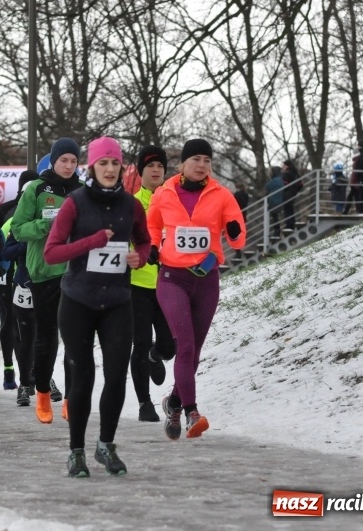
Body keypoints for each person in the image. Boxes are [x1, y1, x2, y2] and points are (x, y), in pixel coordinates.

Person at [44, 136, 150, 477]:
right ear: (92, 166)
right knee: (83, 378)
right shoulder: (75, 203)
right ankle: (76, 452)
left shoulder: (131, 205)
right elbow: (52, 252)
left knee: (117, 374)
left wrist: (140, 257)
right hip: (77, 301)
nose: (108, 169)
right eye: (102, 163)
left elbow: (145, 240)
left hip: (117, 301)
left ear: (122, 167)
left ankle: (105, 445)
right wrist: (92, 241)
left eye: (114, 163)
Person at [146, 138, 246, 440]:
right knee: (185, 346)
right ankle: (191, 412)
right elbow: (152, 225)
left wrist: (233, 231)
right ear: (183, 164)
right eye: (196, 160)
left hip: (206, 279)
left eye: (206, 160)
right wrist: (152, 245)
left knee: (195, 352)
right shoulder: (163, 194)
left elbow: (238, 237)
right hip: (171, 278)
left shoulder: (222, 194)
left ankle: (173, 403)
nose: (201, 165)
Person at [11, 137, 83, 424]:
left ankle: (70, 399)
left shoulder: (82, 191)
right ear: (53, 161)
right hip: (43, 272)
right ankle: (42, 393)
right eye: (63, 160)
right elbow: (18, 229)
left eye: (73, 161)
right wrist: (49, 224)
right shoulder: (38, 189)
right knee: (47, 339)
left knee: (75, 340)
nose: (68, 165)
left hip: (76, 273)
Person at [129, 146, 176, 423]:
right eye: (150, 166)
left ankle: (155, 357)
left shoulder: (174, 202)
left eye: (160, 166)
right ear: (141, 171)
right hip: (137, 285)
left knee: (169, 345)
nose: (156, 170)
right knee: (140, 341)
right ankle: (144, 403)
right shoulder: (132, 204)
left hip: (167, 283)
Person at [0, 170, 39, 394]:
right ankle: (9, 369)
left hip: (32, 275)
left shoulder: (43, 210)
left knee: (36, 329)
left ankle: (34, 374)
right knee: (10, 324)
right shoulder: (5, 211)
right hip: (7, 275)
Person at [281, 159, 301, 230]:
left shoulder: (286, 174)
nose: (282, 167)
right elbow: (300, 184)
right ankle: (291, 224)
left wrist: (285, 190)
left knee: (287, 210)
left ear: (287, 166)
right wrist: (295, 190)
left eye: (283, 165)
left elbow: (284, 184)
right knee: (291, 209)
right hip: (293, 193)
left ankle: (289, 225)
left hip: (287, 193)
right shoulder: (296, 173)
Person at [265, 166, 284, 236]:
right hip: (276, 200)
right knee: (275, 217)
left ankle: (277, 231)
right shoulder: (280, 179)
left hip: (274, 201)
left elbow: (267, 186)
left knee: (275, 217)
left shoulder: (276, 180)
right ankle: (276, 230)